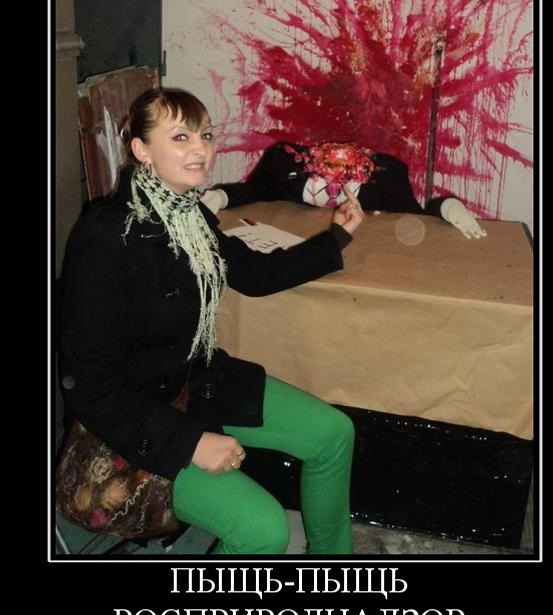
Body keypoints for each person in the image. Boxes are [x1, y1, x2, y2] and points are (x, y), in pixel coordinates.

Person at [59, 89, 363, 555]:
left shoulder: (191, 215)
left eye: (205, 135)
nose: (201, 148)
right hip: (131, 420)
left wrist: (336, 237)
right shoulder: (103, 236)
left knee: (334, 433)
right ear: (141, 149)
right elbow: (92, 386)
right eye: (181, 137)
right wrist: (190, 443)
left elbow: (254, 273)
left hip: (196, 381)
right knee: (264, 530)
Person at [202, 140, 486, 240]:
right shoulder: (284, 164)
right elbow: (256, 190)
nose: (333, 186)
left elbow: (416, 213)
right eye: (324, 178)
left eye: (343, 181)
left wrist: (449, 206)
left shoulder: (385, 178)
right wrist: (222, 195)